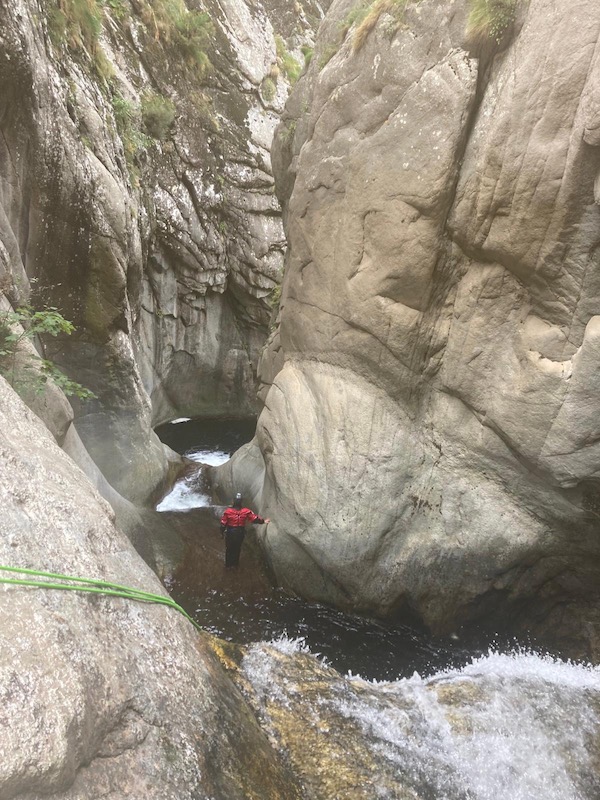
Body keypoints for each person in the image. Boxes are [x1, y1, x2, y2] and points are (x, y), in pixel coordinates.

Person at [220, 493, 270, 568]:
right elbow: (255, 519)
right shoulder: (246, 511)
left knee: (229, 549)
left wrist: (221, 533)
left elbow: (223, 524)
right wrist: (263, 521)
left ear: (233, 501)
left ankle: (228, 565)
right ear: (241, 502)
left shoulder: (228, 512)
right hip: (240, 533)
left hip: (230, 533)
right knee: (237, 548)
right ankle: (235, 564)